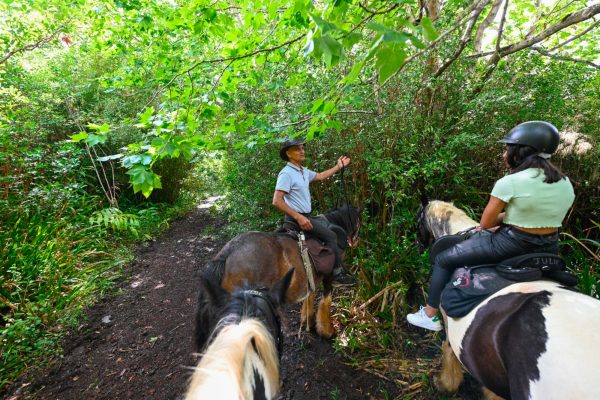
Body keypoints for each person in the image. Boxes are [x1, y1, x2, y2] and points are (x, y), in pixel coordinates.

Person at [407, 121, 575, 331]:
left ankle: (430, 314)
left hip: (511, 244)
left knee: (443, 258)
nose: (504, 154)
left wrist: (508, 217)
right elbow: (548, 214)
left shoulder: (510, 182)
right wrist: (517, 215)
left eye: (507, 149)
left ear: (519, 151)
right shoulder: (564, 181)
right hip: (550, 246)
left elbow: (486, 223)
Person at [273, 137, 357, 287]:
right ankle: (337, 275)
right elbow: (277, 200)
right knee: (331, 236)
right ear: (288, 153)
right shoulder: (286, 174)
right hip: (297, 220)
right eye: (297, 149)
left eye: (302, 148)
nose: (302, 151)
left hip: (307, 216)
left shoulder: (302, 171)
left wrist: (339, 166)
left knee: (327, 223)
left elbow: (321, 175)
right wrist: (299, 218)